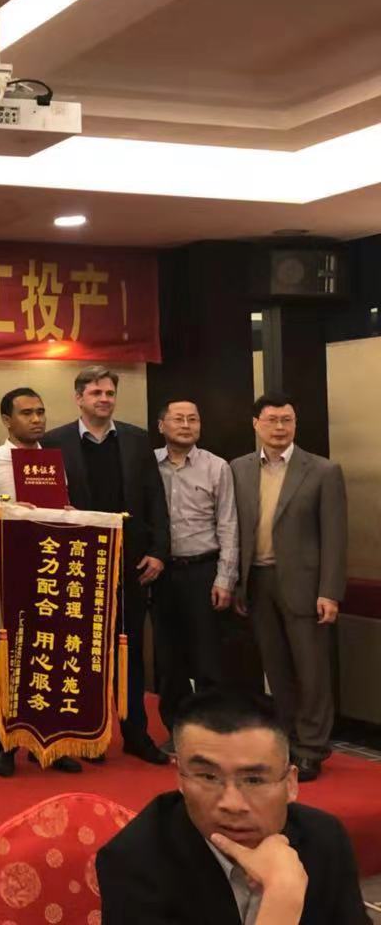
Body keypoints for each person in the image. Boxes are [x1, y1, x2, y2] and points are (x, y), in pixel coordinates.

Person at [97, 689, 367, 924]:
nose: (232, 804)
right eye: (208, 777)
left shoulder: (324, 838)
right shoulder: (134, 860)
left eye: (254, 780)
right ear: (180, 777)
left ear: (290, 784)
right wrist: (281, 901)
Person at [41, 366, 170, 764]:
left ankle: (135, 733)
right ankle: (85, 734)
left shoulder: (136, 439)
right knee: (79, 652)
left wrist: (158, 551)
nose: (104, 399)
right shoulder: (53, 442)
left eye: (109, 393)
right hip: (77, 564)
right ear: (79, 398)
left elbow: (155, 499)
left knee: (128, 651)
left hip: (131, 562)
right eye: (96, 393)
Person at [230, 393, 347, 782]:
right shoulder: (239, 468)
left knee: (311, 671)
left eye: (287, 420)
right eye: (272, 420)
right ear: (256, 424)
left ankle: (312, 748)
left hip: (305, 585)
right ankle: (287, 742)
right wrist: (237, 582)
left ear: (295, 424)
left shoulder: (323, 471)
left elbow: (335, 537)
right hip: (257, 581)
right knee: (276, 669)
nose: (280, 428)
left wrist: (330, 591)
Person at [0, 386, 82, 777]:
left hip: (50, 572)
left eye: (40, 412)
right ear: (7, 420)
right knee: (8, 659)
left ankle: (45, 743)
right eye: (27, 413)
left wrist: (67, 512)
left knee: (47, 656)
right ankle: (3, 744)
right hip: (7, 573)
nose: (36, 419)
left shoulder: (54, 462)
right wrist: (7, 509)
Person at [155, 399, 238, 749]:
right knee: (169, 658)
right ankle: (177, 730)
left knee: (208, 658)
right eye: (179, 419)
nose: (187, 425)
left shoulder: (217, 467)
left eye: (193, 419)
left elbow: (228, 523)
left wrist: (225, 578)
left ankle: (211, 732)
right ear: (162, 425)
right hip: (161, 573)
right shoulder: (148, 464)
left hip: (203, 571)